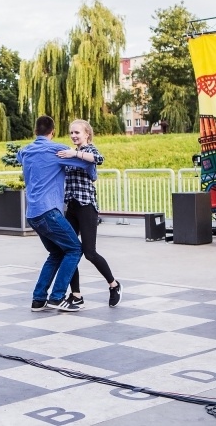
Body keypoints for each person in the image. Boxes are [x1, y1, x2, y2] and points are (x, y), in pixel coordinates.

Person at [17, 115, 98, 312]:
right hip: (49, 212)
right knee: (75, 249)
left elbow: (19, 156)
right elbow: (89, 164)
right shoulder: (57, 150)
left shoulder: (25, 150)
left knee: (56, 253)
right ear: (52, 132)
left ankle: (38, 300)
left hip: (32, 214)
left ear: (35, 131)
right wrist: (92, 174)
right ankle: (57, 297)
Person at [55, 119, 121, 307]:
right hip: (71, 206)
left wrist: (75, 154)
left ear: (87, 134)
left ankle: (114, 285)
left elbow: (99, 159)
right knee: (70, 250)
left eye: (77, 132)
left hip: (87, 207)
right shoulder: (68, 153)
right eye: (71, 133)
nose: (73, 135)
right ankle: (76, 294)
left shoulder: (89, 150)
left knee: (89, 252)